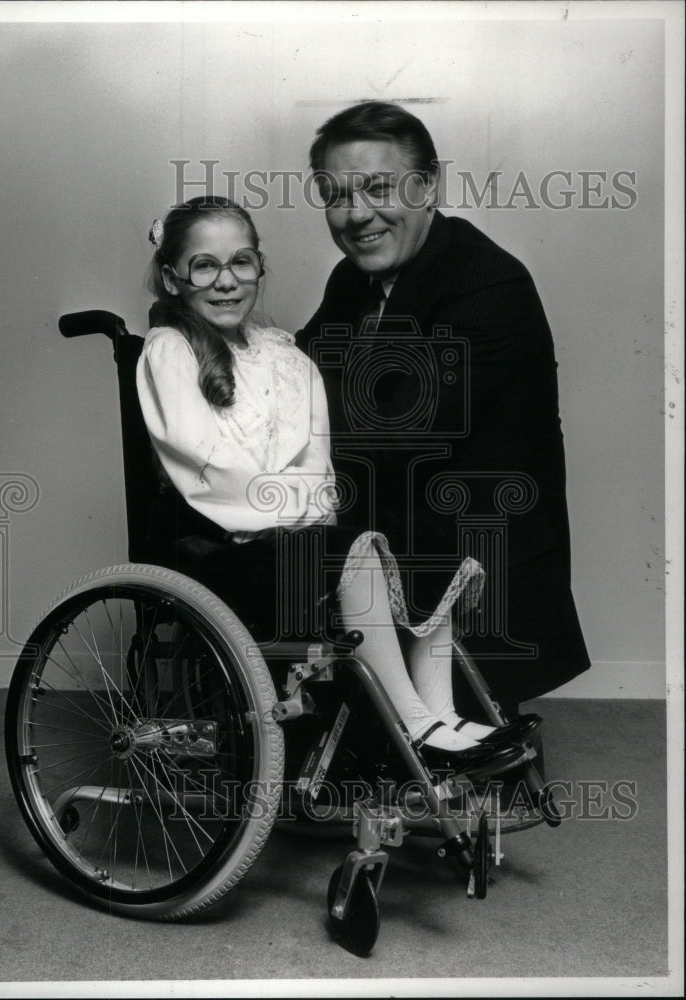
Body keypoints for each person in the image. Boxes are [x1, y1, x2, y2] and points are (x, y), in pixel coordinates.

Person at [135, 195, 530, 774]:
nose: (226, 281)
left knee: (424, 531)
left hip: (296, 534)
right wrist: (298, 517)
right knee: (353, 548)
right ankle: (414, 726)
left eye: (241, 262)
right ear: (173, 277)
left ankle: (440, 712)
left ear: (260, 267)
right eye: (204, 265)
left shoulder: (287, 358)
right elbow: (209, 466)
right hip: (226, 546)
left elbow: (316, 457)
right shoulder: (169, 351)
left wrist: (313, 511)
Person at [297, 101, 590, 715]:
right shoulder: (352, 281)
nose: (356, 216)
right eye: (336, 195)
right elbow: (299, 377)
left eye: (378, 188)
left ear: (428, 186)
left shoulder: (489, 286)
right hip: (394, 523)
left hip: (473, 556)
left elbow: (396, 437)